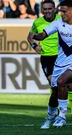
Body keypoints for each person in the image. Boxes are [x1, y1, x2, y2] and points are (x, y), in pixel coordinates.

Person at [32, 0, 72, 128]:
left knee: (61, 82)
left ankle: (62, 116)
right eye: (61, 11)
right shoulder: (58, 23)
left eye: (64, 11)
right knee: (56, 91)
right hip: (60, 63)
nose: (62, 14)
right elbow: (43, 34)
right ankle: (50, 116)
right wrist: (37, 37)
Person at [27, 0, 60, 129]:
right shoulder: (37, 22)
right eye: (45, 9)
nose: (47, 11)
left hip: (63, 57)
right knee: (56, 86)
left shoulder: (61, 19)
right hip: (48, 58)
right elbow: (30, 37)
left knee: (64, 87)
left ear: (54, 9)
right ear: (42, 10)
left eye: (50, 8)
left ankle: (60, 115)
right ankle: (51, 116)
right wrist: (35, 46)